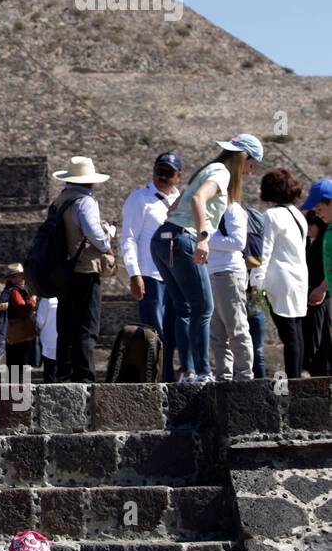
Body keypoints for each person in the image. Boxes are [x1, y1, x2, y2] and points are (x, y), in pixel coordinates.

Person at [153, 134, 263, 383]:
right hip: (183, 239)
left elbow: (174, 208)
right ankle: (203, 373)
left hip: (162, 239)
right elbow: (197, 198)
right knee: (204, 309)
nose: (250, 172)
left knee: (185, 309)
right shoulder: (222, 173)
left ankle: (190, 373)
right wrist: (203, 236)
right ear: (244, 157)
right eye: (252, 165)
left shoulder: (204, 170)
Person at [49, 157, 118, 383]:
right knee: (86, 325)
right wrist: (108, 237)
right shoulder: (84, 202)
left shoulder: (60, 201)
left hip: (62, 270)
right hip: (85, 270)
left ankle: (64, 372)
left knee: (66, 325)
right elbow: (95, 235)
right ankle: (84, 376)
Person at [121, 152, 183, 381]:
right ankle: (153, 380)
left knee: (174, 333)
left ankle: (168, 377)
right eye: (159, 171)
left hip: (175, 276)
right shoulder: (139, 199)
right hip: (150, 274)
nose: (162, 176)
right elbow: (128, 238)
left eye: (168, 173)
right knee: (154, 333)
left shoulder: (182, 201)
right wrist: (134, 273)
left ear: (178, 176)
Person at [252, 169, 309, 379]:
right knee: (297, 333)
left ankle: (293, 380)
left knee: (289, 335)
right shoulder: (298, 215)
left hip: (280, 280)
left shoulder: (272, 215)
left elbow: (264, 251)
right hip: (299, 278)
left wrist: (256, 282)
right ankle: (298, 378)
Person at [206, 202, 254, 380]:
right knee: (217, 335)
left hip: (229, 273)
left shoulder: (232, 208)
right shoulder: (206, 208)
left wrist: (204, 238)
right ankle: (223, 377)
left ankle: (244, 377)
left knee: (237, 328)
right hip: (209, 272)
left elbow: (238, 241)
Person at [301, 179, 332, 376]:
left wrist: (321, 288)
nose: (317, 213)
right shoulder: (329, 229)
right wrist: (323, 287)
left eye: (319, 207)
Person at [0, 264, 39, 382]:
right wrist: (32, 300)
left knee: (14, 364)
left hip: (13, 333)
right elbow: (23, 309)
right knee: (20, 363)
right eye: (21, 275)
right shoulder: (14, 291)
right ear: (13, 277)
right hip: (19, 333)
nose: (23, 278)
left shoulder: (8, 291)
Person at [36, 296, 59, 383]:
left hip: (49, 343)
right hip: (64, 342)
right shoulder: (67, 297)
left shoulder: (47, 300)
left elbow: (39, 322)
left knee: (50, 373)